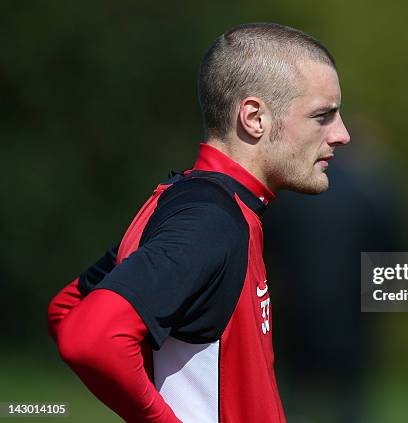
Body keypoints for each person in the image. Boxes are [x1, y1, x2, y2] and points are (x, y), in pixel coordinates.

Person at [47, 22, 350, 423]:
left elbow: (67, 306)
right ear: (255, 117)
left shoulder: (196, 202)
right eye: (322, 116)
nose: (341, 134)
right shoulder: (210, 221)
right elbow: (90, 338)